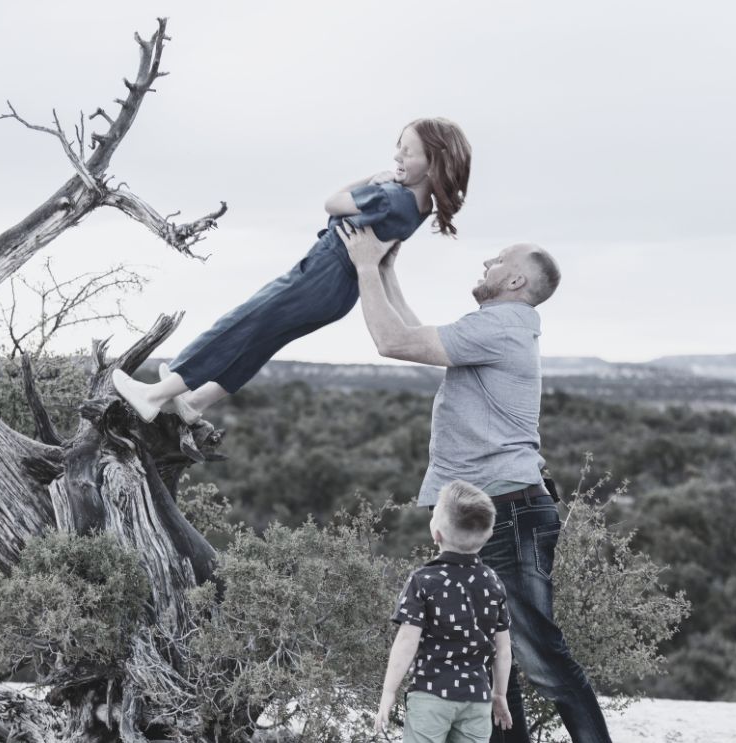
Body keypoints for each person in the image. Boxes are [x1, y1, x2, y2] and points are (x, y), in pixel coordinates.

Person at [339, 225, 613, 743]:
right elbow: (420, 334)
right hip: (507, 509)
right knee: (498, 656)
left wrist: (362, 266)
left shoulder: (500, 327)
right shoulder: (504, 328)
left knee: (540, 659)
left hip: (504, 515)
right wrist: (387, 269)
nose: (486, 262)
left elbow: (393, 341)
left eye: (497, 259)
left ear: (513, 279)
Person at [111, 117, 471, 423]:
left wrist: (370, 179)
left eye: (406, 151)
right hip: (341, 293)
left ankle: (156, 395)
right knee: (264, 339)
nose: (396, 156)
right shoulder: (421, 207)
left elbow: (331, 202)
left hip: (320, 273)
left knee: (241, 324)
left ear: (433, 161)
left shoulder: (390, 195)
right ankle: (194, 402)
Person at [376, 480, 513, 743]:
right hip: (477, 698)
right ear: (488, 535)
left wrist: (388, 691)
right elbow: (503, 649)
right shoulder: (493, 582)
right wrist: (499, 694)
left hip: (431, 694)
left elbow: (406, 641)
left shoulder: (423, 580)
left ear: (436, 533)